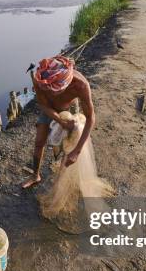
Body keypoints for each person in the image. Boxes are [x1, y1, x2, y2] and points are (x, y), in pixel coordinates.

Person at [22, 55, 95, 189]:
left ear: (66, 84)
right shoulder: (41, 79)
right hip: (49, 108)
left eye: (53, 90)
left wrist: (77, 152)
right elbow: (43, 105)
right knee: (39, 142)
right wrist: (60, 121)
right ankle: (35, 175)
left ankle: (60, 181)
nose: (49, 91)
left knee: (68, 147)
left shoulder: (81, 85)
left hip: (70, 109)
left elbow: (90, 118)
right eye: (47, 89)